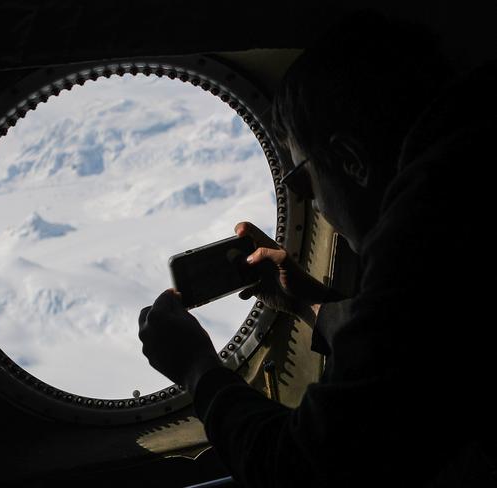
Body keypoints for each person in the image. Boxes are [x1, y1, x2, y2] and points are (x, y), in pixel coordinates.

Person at [138, 12, 497, 487]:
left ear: (351, 160)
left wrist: (198, 368)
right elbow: (428, 335)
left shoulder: (429, 222)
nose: (305, 197)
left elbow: (303, 470)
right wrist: (304, 301)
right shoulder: (474, 165)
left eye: (302, 177)